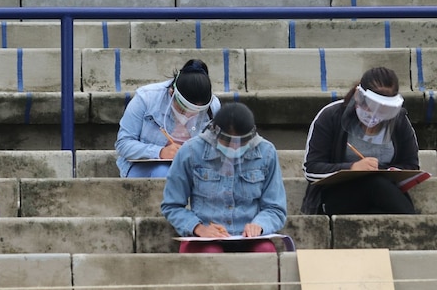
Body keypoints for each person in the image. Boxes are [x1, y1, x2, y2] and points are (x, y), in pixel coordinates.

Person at [161, 102, 287, 254]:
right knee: (210, 254)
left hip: (248, 237)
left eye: (242, 142)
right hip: (205, 237)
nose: (235, 148)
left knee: (265, 251)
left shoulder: (267, 152)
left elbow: (275, 208)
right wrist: (199, 228)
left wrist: (259, 225)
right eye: (228, 142)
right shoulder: (190, 151)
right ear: (215, 132)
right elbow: (172, 205)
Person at [301, 67, 419, 215]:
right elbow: (311, 169)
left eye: (384, 110)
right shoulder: (331, 115)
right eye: (370, 105)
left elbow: (411, 165)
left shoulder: (399, 120)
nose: (374, 115)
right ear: (358, 96)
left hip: (384, 196)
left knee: (378, 201)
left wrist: (387, 171)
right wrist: (352, 168)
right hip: (336, 196)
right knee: (374, 183)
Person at [115, 59, 222, 178]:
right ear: (172, 93)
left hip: (190, 168)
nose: (189, 115)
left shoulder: (213, 106)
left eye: (198, 111)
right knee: (165, 174)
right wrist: (160, 152)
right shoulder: (146, 98)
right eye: (183, 108)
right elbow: (123, 144)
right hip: (145, 166)